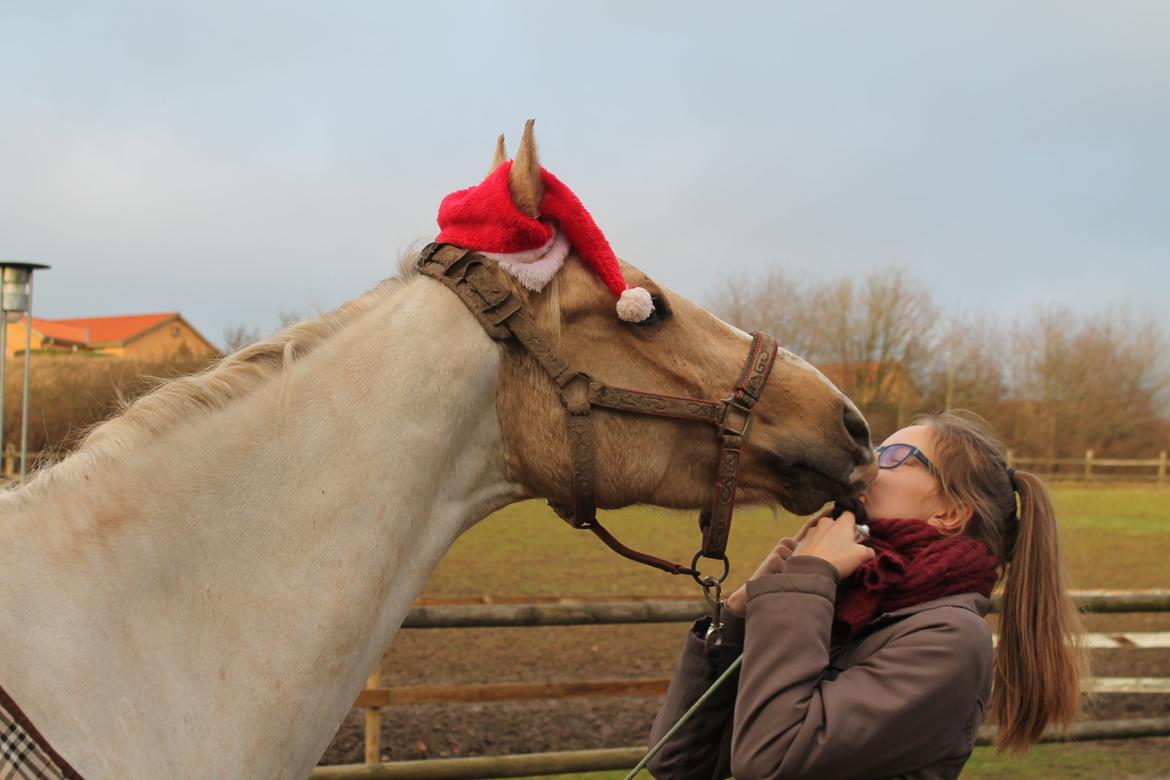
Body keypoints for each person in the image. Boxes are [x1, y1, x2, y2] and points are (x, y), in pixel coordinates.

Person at [645, 409, 1092, 780]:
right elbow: (679, 761)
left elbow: (770, 759)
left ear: (950, 513)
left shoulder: (950, 638)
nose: (872, 462)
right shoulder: (854, 603)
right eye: (877, 447)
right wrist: (743, 613)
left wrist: (806, 584)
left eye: (896, 456)